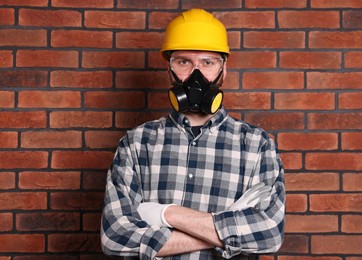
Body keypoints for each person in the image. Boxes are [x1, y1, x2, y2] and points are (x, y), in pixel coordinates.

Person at [101, 8, 285, 260]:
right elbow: (115, 236)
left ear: (224, 69)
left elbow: (269, 233)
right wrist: (224, 237)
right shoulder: (136, 143)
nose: (195, 74)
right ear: (169, 69)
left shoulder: (257, 145)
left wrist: (168, 213)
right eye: (184, 62)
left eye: (208, 62)